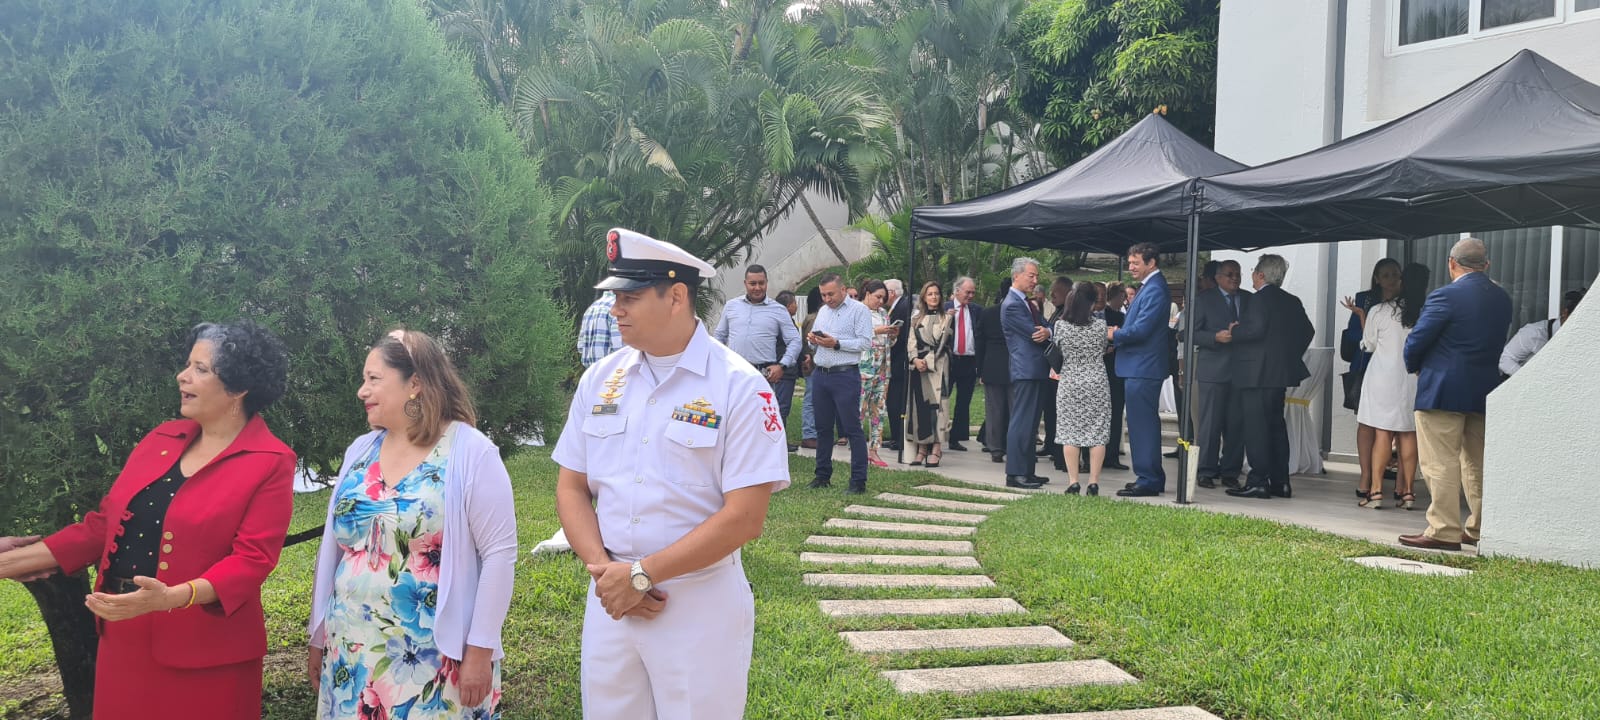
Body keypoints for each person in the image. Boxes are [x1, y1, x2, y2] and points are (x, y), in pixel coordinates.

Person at [552, 228, 791, 718]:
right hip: (612, 598)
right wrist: (609, 574)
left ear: (677, 295)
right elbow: (571, 486)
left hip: (695, 602)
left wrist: (643, 576)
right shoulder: (601, 379)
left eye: (630, 296)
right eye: (614, 296)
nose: (615, 308)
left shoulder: (740, 387)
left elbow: (746, 517)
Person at [0, 321, 293, 719]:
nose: (183, 376)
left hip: (209, 653)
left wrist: (171, 598)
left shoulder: (271, 461)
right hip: (124, 637)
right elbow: (101, 528)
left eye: (201, 369)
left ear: (239, 388)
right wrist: (13, 560)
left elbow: (253, 559)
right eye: (187, 365)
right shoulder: (162, 439)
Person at [307, 328, 517, 718]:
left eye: (374, 379)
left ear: (415, 384)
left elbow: (500, 555)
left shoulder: (471, 452)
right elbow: (335, 551)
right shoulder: (360, 450)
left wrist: (481, 648)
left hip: (432, 653)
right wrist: (318, 636)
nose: (361, 391)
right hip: (351, 646)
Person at [1399, 237, 1513, 551]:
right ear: (1486, 265)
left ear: (1451, 263)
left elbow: (1417, 341)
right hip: (1483, 388)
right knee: (1476, 463)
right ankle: (1480, 527)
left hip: (1442, 388)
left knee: (1440, 462)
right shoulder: (1501, 298)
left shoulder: (1445, 296)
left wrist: (1415, 367)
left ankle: (1443, 530)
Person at [1225, 254, 1316, 501]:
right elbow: (1308, 331)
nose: (1252, 274)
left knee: (1256, 428)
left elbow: (1254, 329)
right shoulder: (1291, 300)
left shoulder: (1258, 300)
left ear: (1262, 275)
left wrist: (1236, 330)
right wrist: (1287, 355)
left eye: (1254, 270)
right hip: (1278, 374)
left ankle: (1258, 481)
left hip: (1255, 373)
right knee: (1276, 426)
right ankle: (1281, 482)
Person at [1342, 263, 1430, 510]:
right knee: (1408, 433)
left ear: (1402, 282)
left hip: (1382, 376)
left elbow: (1367, 345)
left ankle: (1376, 491)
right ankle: (1408, 493)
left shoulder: (1380, 311)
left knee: (1382, 432)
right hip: (1411, 376)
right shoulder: (1422, 312)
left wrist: (1362, 316)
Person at [1110, 244, 1171, 497]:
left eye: (1135, 262)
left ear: (1151, 262)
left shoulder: (1155, 289)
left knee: (1142, 424)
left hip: (1143, 366)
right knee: (1138, 424)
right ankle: (1148, 475)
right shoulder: (1149, 287)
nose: (1131, 267)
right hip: (1138, 366)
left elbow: (1142, 329)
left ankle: (1148, 478)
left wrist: (1115, 334)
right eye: (1130, 262)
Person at [807, 272, 875, 493]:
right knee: (823, 427)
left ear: (843, 289)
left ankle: (858, 480)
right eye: (823, 295)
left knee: (851, 428)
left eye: (831, 294)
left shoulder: (859, 310)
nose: (827, 299)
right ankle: (822, 475)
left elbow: (865, 343)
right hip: (821, 374)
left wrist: (836, 343)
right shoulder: (824, 311)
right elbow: (818, 345)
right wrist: (814, 341)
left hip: (844, 375)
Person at [1340, 259, 1401, 506]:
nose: (1390, 279)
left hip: (1396, 368)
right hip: (1367, 364)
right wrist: (1369, 325)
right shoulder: (1365, 299)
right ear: (1376, 277)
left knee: (1394, 426)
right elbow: (1355, 334)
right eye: (1384, 275)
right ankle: (1366, 477)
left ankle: (1391, 477)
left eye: (1394, 274)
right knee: (1366, 423)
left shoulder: (1408, 302)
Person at [714, 264, 803, 420]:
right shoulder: (731, 306)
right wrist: (718, 362)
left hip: (764, 376)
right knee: (733, 419)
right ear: (745, 284)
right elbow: (720, 336)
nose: (757, 288)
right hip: (735, 374)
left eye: (761, 283)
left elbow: (795, 340)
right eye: (752, 283)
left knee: (763, 421)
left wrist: (782, 365)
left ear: (767, 283)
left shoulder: (778, 310)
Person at [1191, 260, 1250, 490]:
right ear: (1217, 278)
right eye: (1229, 274)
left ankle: (1230, 471)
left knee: (1236, 425)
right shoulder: (1204, 300)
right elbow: (1188, 334)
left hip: (1241, 371)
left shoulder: (1248, 299)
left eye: (1238, 274)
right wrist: (1215, 337)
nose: (1235, 278)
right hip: (1213, 371)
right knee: (1210, 424)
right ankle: (1206, 470)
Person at [1053, 281, 1112, 495]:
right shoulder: (1100, 326)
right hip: (1096, 381)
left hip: (1070, 380)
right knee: (1097, 432)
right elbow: (1104, 348)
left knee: (1070, 431)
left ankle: (1073, 481)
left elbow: (1058, 348)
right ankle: (1094, 481)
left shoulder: (1061, 326)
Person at [1001, 257, 1052, 489]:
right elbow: (1035, 333)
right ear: (1016, 276)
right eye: (1031, 276)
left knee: (1031, 423)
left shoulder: (1026, 302)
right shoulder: (1012, 304)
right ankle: (1015, 473)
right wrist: (1046, 332)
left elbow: (1045, 327)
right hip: (1026, 369)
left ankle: (1027, 470)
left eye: (1036, 276)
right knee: (1022, 421)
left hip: (1036, 369)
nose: (1035, 280)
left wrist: (1048, 331)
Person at [908, 281, 954, 467]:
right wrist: (914, 360)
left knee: (940, 407)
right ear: (924, 297)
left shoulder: (947, 319)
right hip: (919, 368)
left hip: (939, 366)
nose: (934, 297)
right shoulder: (916, 319)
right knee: (920, 407)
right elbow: (911, 343)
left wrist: (927, 361)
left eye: (936, 293)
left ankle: (936, 448)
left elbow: (943, 343)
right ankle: (921, 449)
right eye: (930, 294)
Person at [1500, 288, 1585, 377]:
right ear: (1564, 313)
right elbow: (1505, 360)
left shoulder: (1580, 340)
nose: (1577, 326)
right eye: (1574, 320)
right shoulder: (1533, 332)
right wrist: (1528, 380)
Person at [857, 279, 897, 467]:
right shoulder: (857, 310)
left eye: (883, 298)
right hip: (864, 367)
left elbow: (887, 341)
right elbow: (854, 335)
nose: (880, 301)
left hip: (882, 365)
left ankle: (874, 450)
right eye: (877, 297)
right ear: (867, 294)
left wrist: (891, 334)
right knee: (860, 409)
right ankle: (857, 449)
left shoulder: (883, 313)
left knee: (878, 409)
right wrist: (876, 331)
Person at [943, 276, 981, 451]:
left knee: (963, 401)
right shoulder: (945, 309)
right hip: (949, 360)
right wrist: (946, 319)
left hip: (969, 361)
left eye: (973, 292)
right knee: (943, 398)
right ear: (957, 291)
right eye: (968, 292)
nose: (971, 295)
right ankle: (936, 435)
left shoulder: (976, 310)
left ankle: (955, 438)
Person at [977, 279, 1014, 464]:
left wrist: (980, 369)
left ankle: (995, 448)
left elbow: (980, 342)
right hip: (1015, 365)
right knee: (1015, 409)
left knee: (994, 410)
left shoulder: (988, 313)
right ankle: (1014, 446)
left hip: (992, 365)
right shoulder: (1019, 311)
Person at [1040, 275, 1073, 472]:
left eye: (1056, 291)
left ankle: (1061, 454)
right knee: (1051, 412)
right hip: (1052, 372)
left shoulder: (1068, 315)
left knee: (1060, 415)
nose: (1051, 295)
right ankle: (1052, 446)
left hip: (1062, 373)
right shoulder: (1057, 312)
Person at [1101, 282, 1130, 470]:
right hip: (1103, 370)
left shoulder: (1120, 317)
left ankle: (1111, 454)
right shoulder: (1089, 318)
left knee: (1115, 413)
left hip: (1115, 371)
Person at [884, 278, 912, 452]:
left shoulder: (902, 308)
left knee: (895, 400)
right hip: (896, 360)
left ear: (892, 293)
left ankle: (898, 437)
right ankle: (896, 436)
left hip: (899, 360)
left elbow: (900, 337)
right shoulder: (899, 307)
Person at [774, 290, 803, 449]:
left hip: (786, 369)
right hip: (784, 370)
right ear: (788, 305)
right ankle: (779, 442)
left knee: (782, 406)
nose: (796, 307)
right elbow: (792, 344)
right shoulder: (782, 322)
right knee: (781, 407)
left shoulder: (780, 321)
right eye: (795, 303)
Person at [798, 285, 824, 450]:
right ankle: (809, 434)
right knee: (810, 400)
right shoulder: (814, 318)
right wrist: (809, 361)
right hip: (814, 365)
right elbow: (809, 344)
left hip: (817, 365)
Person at [581, 290, 624, 368]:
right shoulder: (618, 308)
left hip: (591, 373)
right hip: (613, 373)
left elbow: (581, 346)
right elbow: (620, 348)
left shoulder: (591, 308)